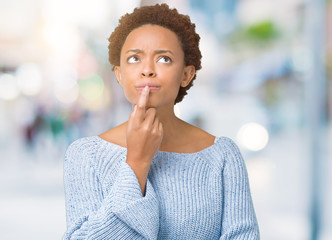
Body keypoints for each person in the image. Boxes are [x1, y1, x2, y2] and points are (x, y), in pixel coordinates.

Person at [63, 3, 259, 239]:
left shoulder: (223, 156)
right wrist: (137, 163)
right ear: (119, 74)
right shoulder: (85, 155)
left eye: (164, 59)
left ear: (186, 75)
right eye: (134, 58)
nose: (147, 70)